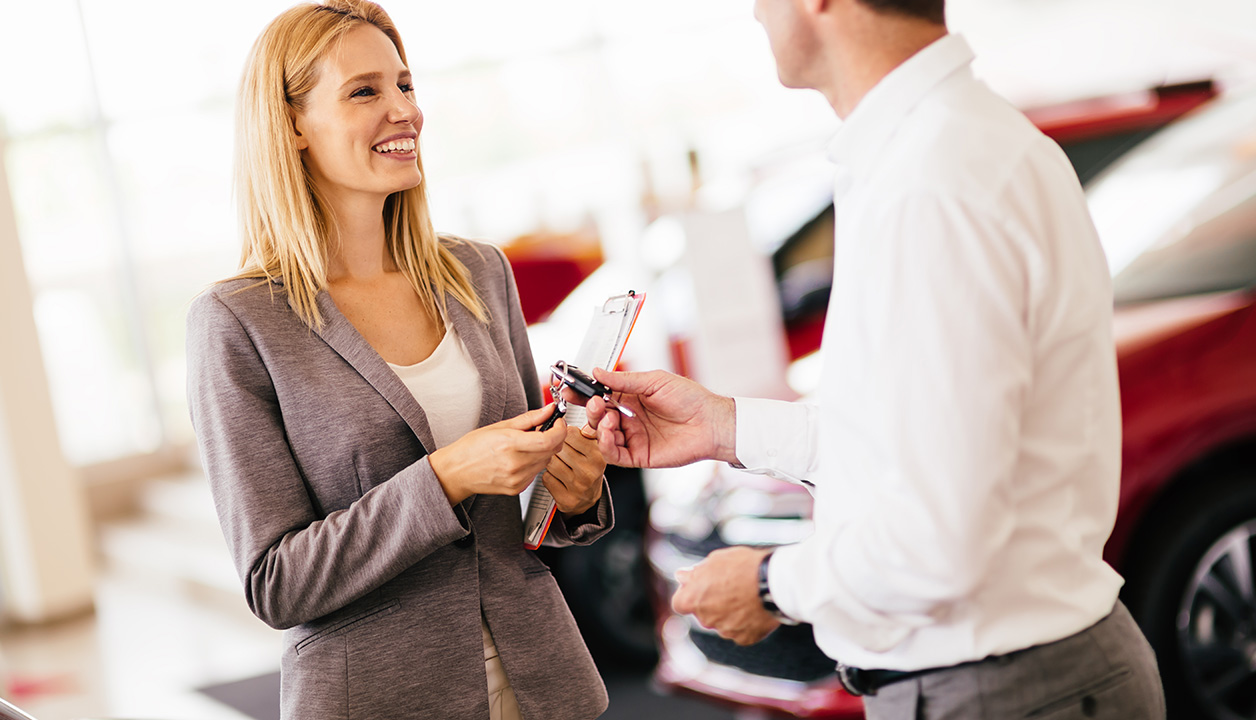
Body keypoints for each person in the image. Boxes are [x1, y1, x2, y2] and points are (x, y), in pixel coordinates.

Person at [578, 0, 1167, 717]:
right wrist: (722, 427)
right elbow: (908, 442)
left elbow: (939, 534)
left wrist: (768, 586)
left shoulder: (933, 180)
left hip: (1002, 689)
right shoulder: (937, 150)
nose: (754, 11)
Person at [185, 2, 611, 719]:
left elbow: (527, 514)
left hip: (545, 685)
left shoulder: (477, 273)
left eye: (405, 85)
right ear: (290, 124)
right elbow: (275, 584)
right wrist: (445, 477)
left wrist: (574, 493)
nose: (403, 110)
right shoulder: (237, 322)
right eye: (365, 91)